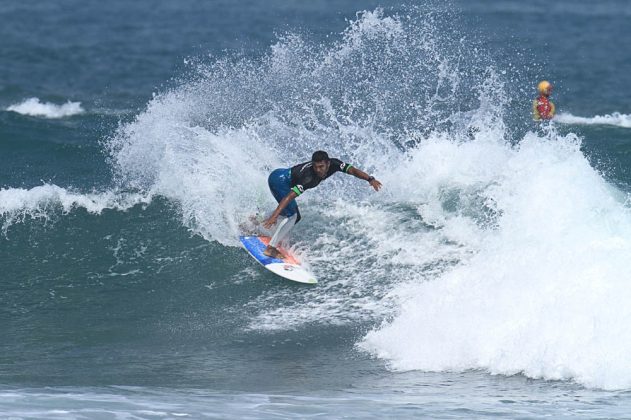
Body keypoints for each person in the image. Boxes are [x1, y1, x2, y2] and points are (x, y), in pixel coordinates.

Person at [261, 151, 382, 258]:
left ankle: (260, 223)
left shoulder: (335, 164)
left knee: (294, 215)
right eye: (315, 167)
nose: (318, 170)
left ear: (328, 164)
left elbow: (352, 170)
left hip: (281, 174)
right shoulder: (308, 178)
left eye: (321, 166)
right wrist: (275, 215)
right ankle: (271, 248)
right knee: (292, 215)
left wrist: (370, 179)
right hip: (279, 181)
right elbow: (289, 196)